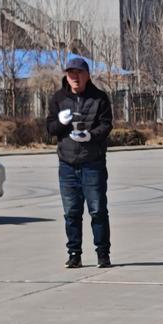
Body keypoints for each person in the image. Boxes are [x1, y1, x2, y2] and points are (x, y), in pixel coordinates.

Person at [47, 53, 113, 270]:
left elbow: (106, 125)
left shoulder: (100, 98)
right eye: (70, 73)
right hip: (67, 164)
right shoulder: (58, 98)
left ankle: (103, 253)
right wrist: (60, 122)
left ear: (87, 75)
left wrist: (91, 136)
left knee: (97, 210)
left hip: (92, 163)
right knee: (71, 212)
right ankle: (74, 254)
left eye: (78, 72)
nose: (74, 77)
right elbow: (49, 129)